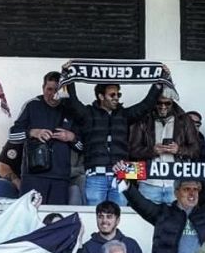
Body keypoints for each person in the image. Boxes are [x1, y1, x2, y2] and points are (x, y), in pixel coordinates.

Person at [60, 75, 164, 206]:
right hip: (95, 175)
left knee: (120, 213)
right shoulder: (88, 114)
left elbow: (145, 106)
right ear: (101, 96)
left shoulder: (124, 114)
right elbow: (72, 102)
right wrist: (68, 77)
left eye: (118, 94)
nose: (116, 98)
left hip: (122, 173)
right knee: (95, 213)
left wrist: (158, 84)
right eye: (112, 95)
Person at [8, 71, 80, 204]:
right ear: (43, 88)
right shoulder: (32, 105)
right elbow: (12, 136)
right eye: (49, 89)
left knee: (56, 216)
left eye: (56, 90)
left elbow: (83, 146)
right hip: (33, 176)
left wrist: (71, 137)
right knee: (29, 214)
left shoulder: (71, 109)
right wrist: (32, 132)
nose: (52, 94)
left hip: (60, 177)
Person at [128, 90, 200, 204]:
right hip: (148, 182)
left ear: (173, 101)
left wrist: (179, 150)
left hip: (175, 183)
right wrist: (152, 151)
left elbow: (196, 150)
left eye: (167, 103)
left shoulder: (184, 120)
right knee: (144, 214)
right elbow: (132, 150)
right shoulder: (144, 119)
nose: (163, 107)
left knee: (176, 215)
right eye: (159, 103)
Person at [79, 201, 145, 253]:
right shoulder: (87, 249)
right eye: (100, 217)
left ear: (117, 220)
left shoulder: (131, 245)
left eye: (109, 217)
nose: (104, 221)